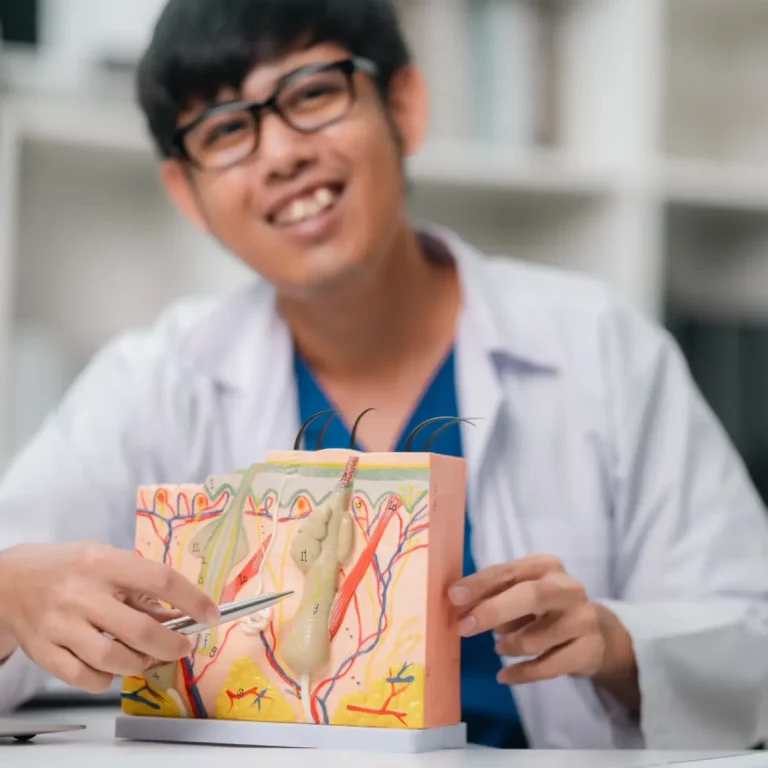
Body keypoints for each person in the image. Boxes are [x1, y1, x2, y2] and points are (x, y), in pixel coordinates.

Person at [1, 0, 768, 751]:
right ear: (185, 191)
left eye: (311, 94)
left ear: (404, 103)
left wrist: (613, 639)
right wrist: (10, 599)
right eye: (227, 129)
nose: (280, 154)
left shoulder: (602, 348)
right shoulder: (155, 381)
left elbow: (752, 639)